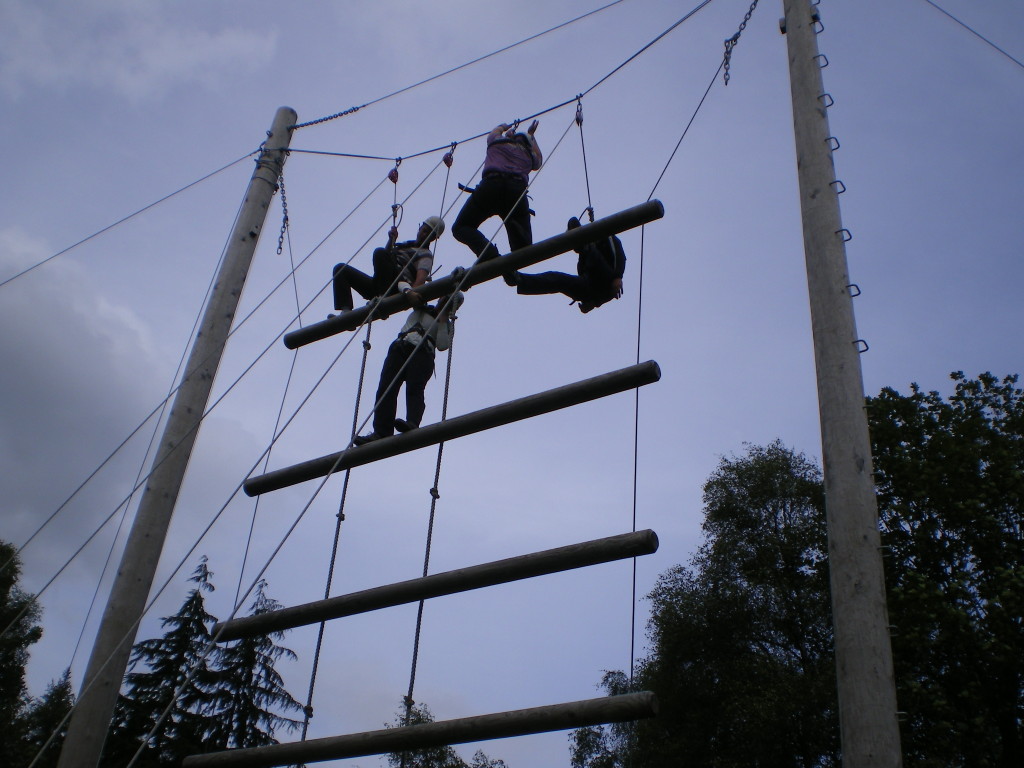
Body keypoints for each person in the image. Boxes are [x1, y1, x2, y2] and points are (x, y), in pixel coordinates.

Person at [352, 292, 465, 445]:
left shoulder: (446, 325)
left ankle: (412, 422)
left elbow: (443, 345)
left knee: (414, 389)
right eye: (446, 298)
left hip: (423, 353)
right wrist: (410, 292)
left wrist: (444, 317)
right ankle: (381, 431)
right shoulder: (421, 307)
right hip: (400, 347)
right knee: (386, 389)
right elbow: (408, 291)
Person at [452, 120, 541, 263]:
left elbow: (494, 133)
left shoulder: (497, 143)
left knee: (461, 227)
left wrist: (504, 127)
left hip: (491, 187)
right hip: (515, 193)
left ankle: (488, 252)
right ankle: (512, 272)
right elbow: (539, 159)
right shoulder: (529, 157)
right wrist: (531, 136)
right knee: (523, 248)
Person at [507, 216, 626, 313]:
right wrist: (593, 302)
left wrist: (617, 277)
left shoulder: (606, 239)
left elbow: (619, 256)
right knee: (556, 279)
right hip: (591, 285)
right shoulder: (584, 257)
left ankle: (581, 239)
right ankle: (519, 279)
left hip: (606, 277)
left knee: (589, 249)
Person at [332, 216, 445, 313]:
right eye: (423, 230)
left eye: (428, 233)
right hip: (380, 285)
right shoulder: (406, 245)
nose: (423, 234)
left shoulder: (426, 254)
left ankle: (383, 296)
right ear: (419, 228)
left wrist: (411, 294)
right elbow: (386, 258)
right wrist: (391, 240)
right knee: (341, 269)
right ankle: (346, 310)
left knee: (379, 252)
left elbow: (420, 279)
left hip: (396, 287)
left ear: (433, 238)